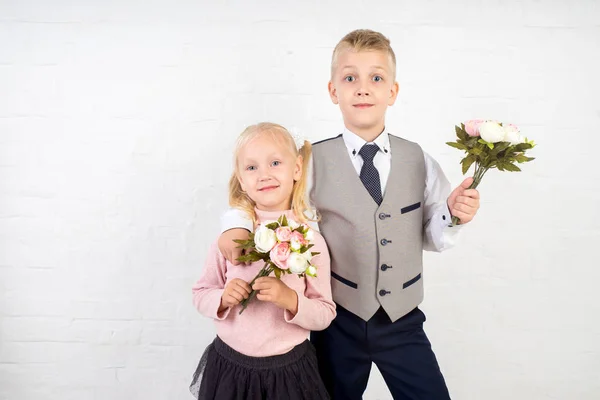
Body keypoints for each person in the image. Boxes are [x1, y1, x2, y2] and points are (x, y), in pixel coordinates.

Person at [218, 30, 481, 399]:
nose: (362, 88)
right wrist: (233, 228)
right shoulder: (309, 163)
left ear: (392, 92)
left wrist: (453, 214)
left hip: (401, 320)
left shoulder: (419, 159)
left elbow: (434, 236)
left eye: (376, 78)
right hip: (337, 322)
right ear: (333, 91)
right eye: (349, 78)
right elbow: (263, 201)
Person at [190, 122, 335, 399]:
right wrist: (222, 298)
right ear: (241, 180)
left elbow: (325, 312)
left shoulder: (311, 241)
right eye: (252, 167)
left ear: (296, 169)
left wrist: (291, 300)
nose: (264, 174)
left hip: (288, 373)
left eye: (275, 162)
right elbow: (201, 293)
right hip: (230, 368)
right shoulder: (231, 235)